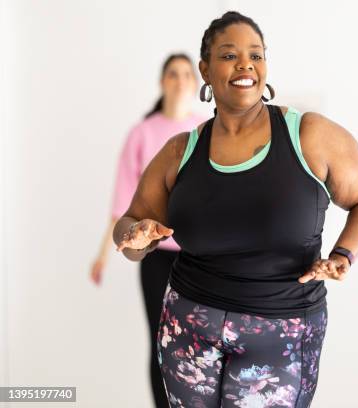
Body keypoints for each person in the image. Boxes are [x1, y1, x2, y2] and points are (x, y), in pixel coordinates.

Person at [113, 11, 358, 408]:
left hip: (281, 332)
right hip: (189, 329)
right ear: (205, 70)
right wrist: (134, 235)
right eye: (229, 56)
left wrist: (345, 252)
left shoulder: (309, 135)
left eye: (256, 55)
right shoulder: (180, 151)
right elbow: (131, 231)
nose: (245, 64)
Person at [91, 53, 206, 408]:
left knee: (199, 340)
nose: (181, 79)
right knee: (161, 341)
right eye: (173, 73)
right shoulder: (142, 133)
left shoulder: (205, 130)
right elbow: (123, 203)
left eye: (187, 73)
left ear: (195, 81)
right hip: (155, 259)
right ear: (162, 82)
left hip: (198, 258)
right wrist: (102, 256)